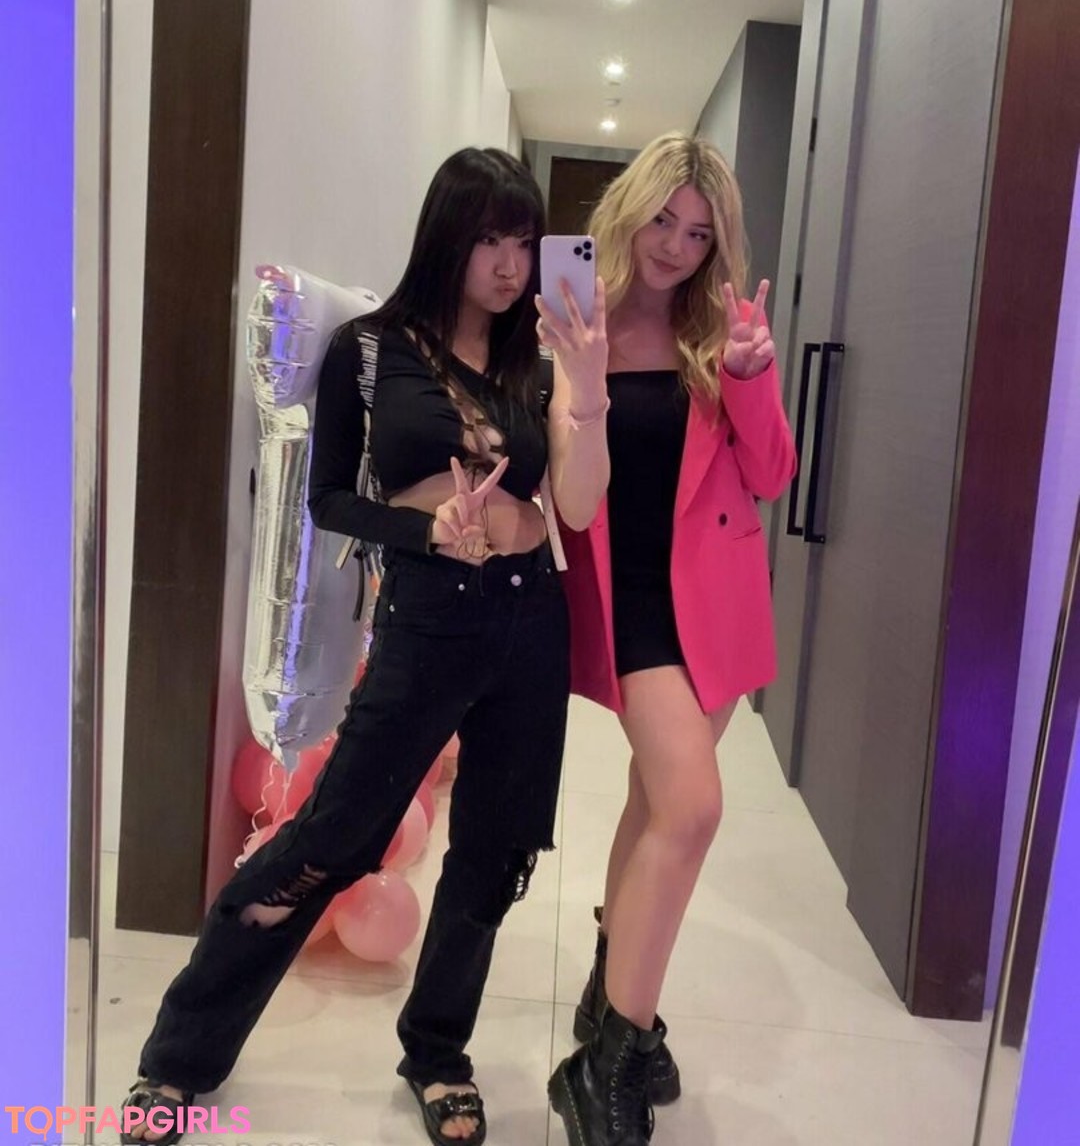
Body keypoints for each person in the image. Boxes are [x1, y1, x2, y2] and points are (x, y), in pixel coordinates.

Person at [118, 146, 606, 1146]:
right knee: (327, 839)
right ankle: (179, 1058)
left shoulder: (538, 358)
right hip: (430, 614)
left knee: (493, 851)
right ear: (447, 236)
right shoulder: (372, 349)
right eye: (489, 239)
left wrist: (589, 381)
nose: (510, 265)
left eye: (524, 243)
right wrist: (425, 529)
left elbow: (576, 504)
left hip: (529, 619)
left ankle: (437, 1053)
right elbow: (332, 497)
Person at [539, 133, 797, 1146]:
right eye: (663, 219)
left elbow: (770, 475)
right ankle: (604, 1065)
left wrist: (750, 375)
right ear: (630, 208)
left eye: (699, 233)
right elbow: (575, 502)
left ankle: (614, 1006)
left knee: (656, 804)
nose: (676, 246)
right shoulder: (578, 319)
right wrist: (587, 384)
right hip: (633, 604)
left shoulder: (717, 330)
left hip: (714, 604)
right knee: (692, 806)